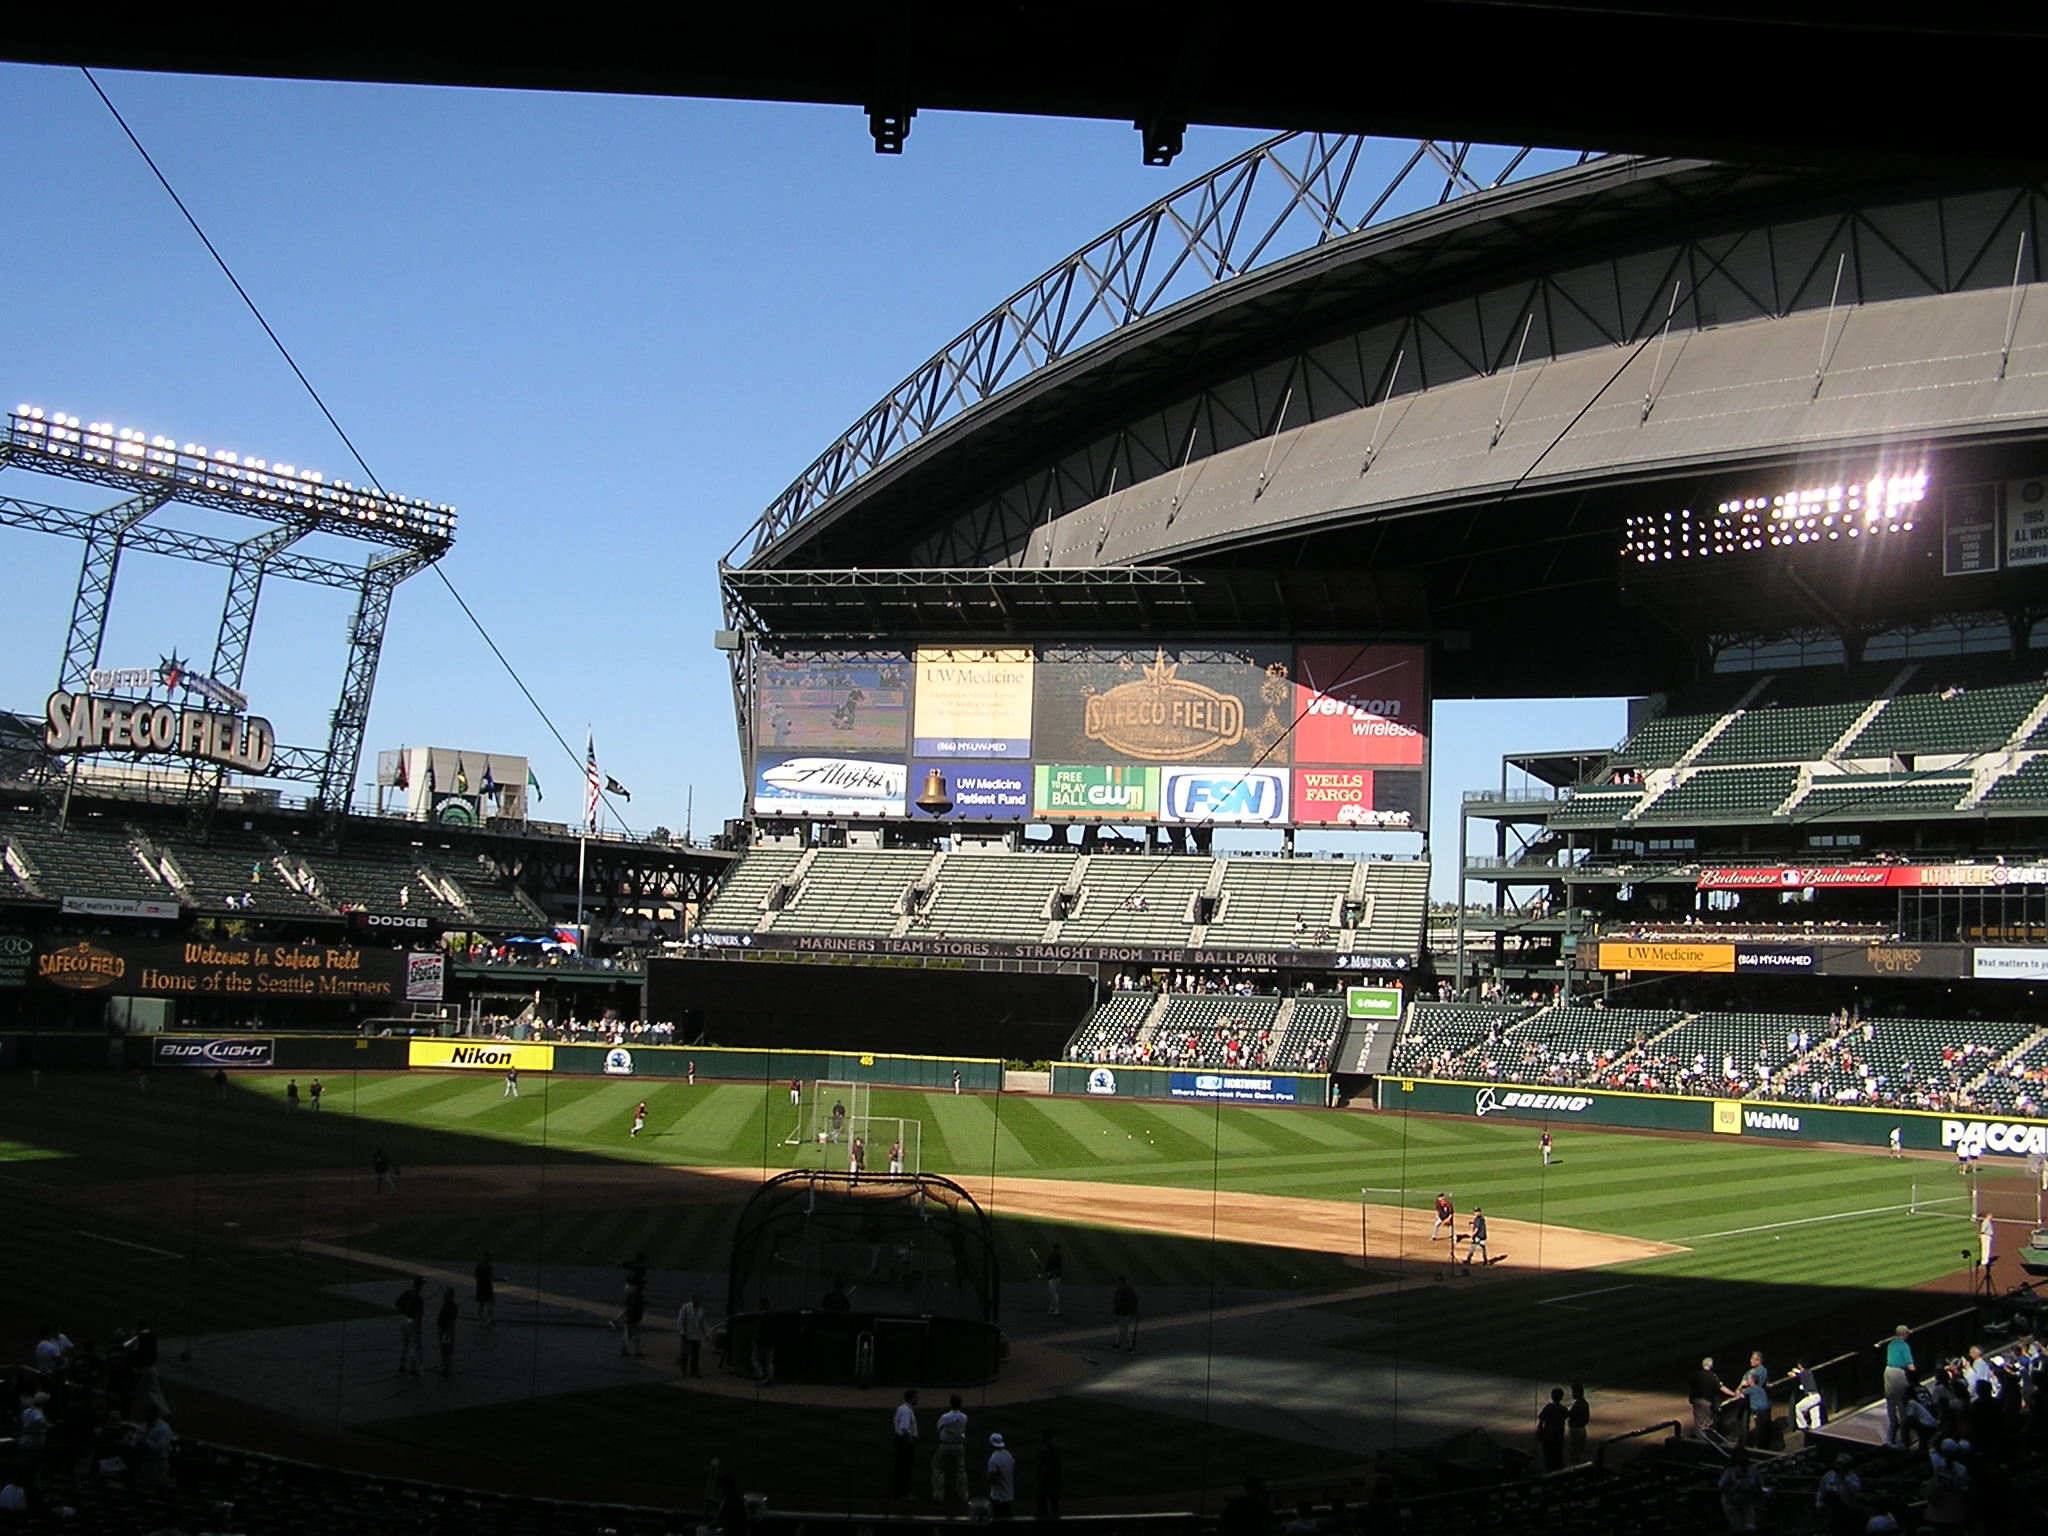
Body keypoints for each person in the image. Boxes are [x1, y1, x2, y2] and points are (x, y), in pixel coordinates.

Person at [1814, 1454, 1863, 1536]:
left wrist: (1844, 1477)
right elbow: (1821, 1492)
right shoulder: (1828, 1476)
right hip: (1831, 1513)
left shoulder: (1852, 1478)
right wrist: (1819, 1506)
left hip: (1848, 1514)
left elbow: (1856, 1489)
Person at [1717, 1445, 1763, 1532]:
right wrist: (1732, 1500)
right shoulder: (1731, 1471)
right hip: (1732, 1502)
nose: (1742, 1458)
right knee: (1737, 1527)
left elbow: (1758, 1485)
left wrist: (1760, 1501)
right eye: (1739, 1455)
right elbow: (1721, 1487)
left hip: (1747, 1500)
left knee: (1750, 1526)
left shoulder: (1752, 1469)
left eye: (1743, 1455)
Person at [932, 1395, 968, 1504]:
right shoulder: (964, 1417)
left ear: (950, 1404)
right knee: (960, 1471)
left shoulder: (945, 1417)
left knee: (938, 1468)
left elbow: (938, 1428)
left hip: (946, 1445)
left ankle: (938, 1495)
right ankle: (963, 1496)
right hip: (959, 1446)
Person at [1882, 1326, 1914, 1446]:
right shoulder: (1904, 1346)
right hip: (1898, 1373)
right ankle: (1902, 1438)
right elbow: (1910, 1365)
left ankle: (1891, 1434)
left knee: (1890, 1399)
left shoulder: (1891, 1344)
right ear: (1904, 1334)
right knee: (1901, 1401)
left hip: (1888, 1371)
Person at [1738, 1351, 1771, 1447]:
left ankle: (1759, 1449)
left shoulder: (1759, 1371)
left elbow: (1740, 1391)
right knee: (1762, 1430)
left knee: (1759, 1431)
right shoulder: (1758, 1372)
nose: (1750, 1361)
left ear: (1758, 1360)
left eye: (1752, 1359)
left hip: (1758, 1409)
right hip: (1763, 1407)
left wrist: (1740, 1389)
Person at [891, 1388, 919, 1499]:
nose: (918, 1399)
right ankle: (903, 1493)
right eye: (916, 1397)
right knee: (905, 1468)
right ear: (911, 1398)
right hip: (905, 1442)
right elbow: (905, 1428)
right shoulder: (907, 1411)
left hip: (899, 1440)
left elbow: (895, 1422)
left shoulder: (901, 1409)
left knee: (899, 1467)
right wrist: (909, 1440)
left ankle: (897, 1492)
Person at [396, 1278, 425, 1376]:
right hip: (413, 1322)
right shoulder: (418, 1298)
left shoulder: (407, 1293)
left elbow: (398, 1304)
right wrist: (419, 1327)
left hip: (404, 1319)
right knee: (414, 1345)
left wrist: (404, 1312)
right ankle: (413, 1368)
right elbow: (418, 1315)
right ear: (419, 1286)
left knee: (405, 1344)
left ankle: (401, 1365)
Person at [1690, 1357, 1726, 1438]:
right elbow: (1721, 1388)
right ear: (1710, 1365)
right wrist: (1733, 1394)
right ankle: (1707, 1441)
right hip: (1706, 1402)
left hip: (1696, 1401)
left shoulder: (1696, 1374)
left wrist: (1691, 1398)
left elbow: (1690, 1387)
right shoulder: (1712, 1376)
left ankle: (1699, 1440)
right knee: (1708, 1422)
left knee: (1699, 1422)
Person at [1536, 1386, 1569, 1472]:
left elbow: (1541, 1420)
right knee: (1558, 1457)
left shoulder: (1548, 1408)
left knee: (1548, 1457)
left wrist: (1539, 1431)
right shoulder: (1564, 1409)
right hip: (1559, 1437)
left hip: (1548, 1437)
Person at [1036, 1428, 1063, 1524]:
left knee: (1042, 1506)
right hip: (1055, 1481)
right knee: (1054, 1506)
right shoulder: (1056, 1449)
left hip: (1046, 1483)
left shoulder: (1045, 1451)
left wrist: (1040, 1480)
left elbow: (1045, 1469)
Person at [986, 1433, 1016, 1520]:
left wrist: (987, 1476)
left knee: (997, 1518)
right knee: (1007, 1516)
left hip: (998, 1497)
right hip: (1009, 1494)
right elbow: (1015, 1471)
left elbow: (992, 1478)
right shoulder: (1008, 1455)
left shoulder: (994, 1459)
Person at [677, 1293, 706, 1377]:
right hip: (687, 1335)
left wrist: (705, 1333)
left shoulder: (701, 1310)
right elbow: (680, 1319)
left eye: (700, 1299)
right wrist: (681, 1331)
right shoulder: (686, 1308)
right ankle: (684, 1370)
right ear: (693, 1299)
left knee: (695, 1355)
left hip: (696, 1336)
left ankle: (694, 1371)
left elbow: (702, 1323)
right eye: (697, 1299)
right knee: (685, 1353)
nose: (699, 1301)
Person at [1791, 1360, 1823, 1432]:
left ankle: (1803, 1426)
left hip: (1813, 1397)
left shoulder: (1805, 1373)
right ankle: (1818, 1432)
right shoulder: (1808, 1373)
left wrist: (1794, 1372)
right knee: (1815, 1417)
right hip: (1816, 1397)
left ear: (1800, 1366)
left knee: (1798, 1407)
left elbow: (1798, 1374)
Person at [1111, 1275, 1140, 1352]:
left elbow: (1117, 1302)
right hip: (1130, 1312)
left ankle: (1130, 1346)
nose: (1117, 1282)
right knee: (1122, 1328)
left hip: (1124, 1313)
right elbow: (1135, 1300)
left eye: (1118, 1281)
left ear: (1121, 1281)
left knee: (1124, 1329)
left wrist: (1114, 1310)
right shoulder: (1130, 1289)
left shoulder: (1121, 1290)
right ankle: (1117, 1343)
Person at [436, 1286, 458, 1376]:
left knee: (446, 1349)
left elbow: (452, 1320)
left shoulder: (451, 1305)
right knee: (444, 1348)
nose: (442, 1295)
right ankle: (445, 1365)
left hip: (447, 1330)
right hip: (443, 1329)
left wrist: (450, 1331)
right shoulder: (447, 1304)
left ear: (449, 1295)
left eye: (444, 1293)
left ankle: (447, 1367)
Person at [1566, 1382, 1590, 1464]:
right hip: (1582, 1429)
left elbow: (1568, 1414)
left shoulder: (1578, 1405)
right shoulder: (1584, 1403)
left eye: (1573, 1392)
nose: (1572, 1394)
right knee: (1579, 1451)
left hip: (1576, 1430)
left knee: (1574, 1452)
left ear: (1578, 1393)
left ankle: (1575, 1470)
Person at [1045, 1243, 1064, 1316]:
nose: (1052, 1249)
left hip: (1055, 1277)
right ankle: (1053, 1307)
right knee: (1051, 1292)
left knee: (1054, 1293)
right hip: (1052, 1277)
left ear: (1057, 1249)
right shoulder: (1053, 1256)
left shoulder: (1057, 1257)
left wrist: (1051, 1273)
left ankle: (1057, 1308)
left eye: (1054, 1248)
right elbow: (1049, 1267)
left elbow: (1057, 1268)